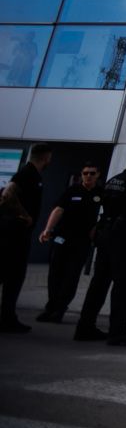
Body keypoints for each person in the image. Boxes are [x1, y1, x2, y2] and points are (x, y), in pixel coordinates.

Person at [73, 151, 126, 346]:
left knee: (98, 283)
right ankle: (118, 330)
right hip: (121, 238)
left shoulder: (112, 180)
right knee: (122, 285)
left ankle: (85, 326)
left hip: (105, 234)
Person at [36, 162, 103, 322]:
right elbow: (58, 210)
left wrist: (97, 228)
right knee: (55, 275)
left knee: (71, 276)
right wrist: (48, 229)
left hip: (82, 241)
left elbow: (106, 214)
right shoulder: (72, 191)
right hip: (63, 237)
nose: (88, 176)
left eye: (92, 173)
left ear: (98, 175)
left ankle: (60, 308)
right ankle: (50, 307)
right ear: (81, 175)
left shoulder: (101, 194)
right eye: (85, 173)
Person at [0, 143, 52, 333]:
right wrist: (24, 215)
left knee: (13, 276)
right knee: (12, 274)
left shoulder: (32, 174)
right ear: (46, 157)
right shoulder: (27, 173)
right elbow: (7, 195)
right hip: (14, 234)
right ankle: (7, 318)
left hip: (17, 233)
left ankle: (7, 316)